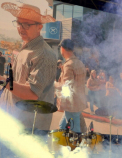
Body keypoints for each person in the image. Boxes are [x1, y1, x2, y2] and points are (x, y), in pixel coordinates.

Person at [0, 2, 56, 132]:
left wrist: (3, 81)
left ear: (39, 27)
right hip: (15, 121)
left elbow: (32, 93)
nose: (21, 28)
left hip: (29, 128)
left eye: (26, 24)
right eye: (19, 23)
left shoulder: (43, 54)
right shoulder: (27, 46)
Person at [54, 39, 87, 133]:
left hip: (71, 103)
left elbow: (66, 86)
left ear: (62, 49)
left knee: (74, 130)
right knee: (62, 126)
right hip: (78, 102)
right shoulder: (80, 63)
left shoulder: (69, 65)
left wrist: (54, 84)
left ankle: (75, 147)